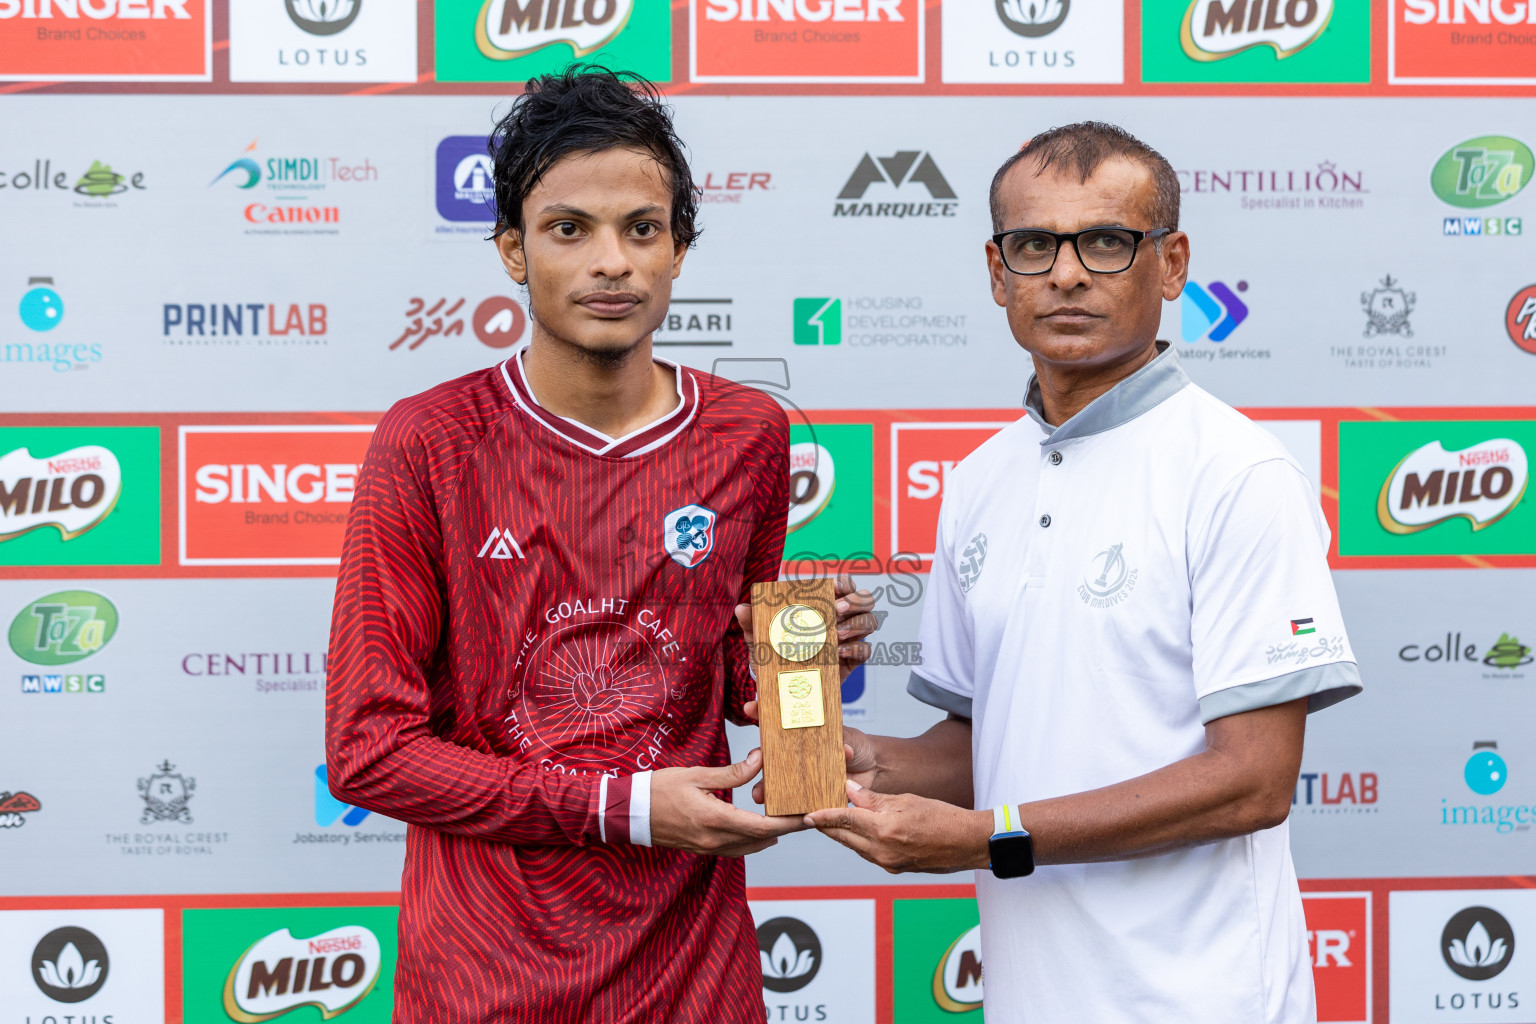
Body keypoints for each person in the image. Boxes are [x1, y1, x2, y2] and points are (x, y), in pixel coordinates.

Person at [325, 66, 875, 1023]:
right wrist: (624, 808)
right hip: (486, 982)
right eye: (569, 229)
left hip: (693, 978)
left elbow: (736, 683)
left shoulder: (748, 432)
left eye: (642, 228)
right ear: (511, 250)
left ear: (680, 250)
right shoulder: (430, 440)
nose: (610, 261)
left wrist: (803, 659)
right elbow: (370, 752)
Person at [802, 122, 1363, 1024]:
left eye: (1105, 242)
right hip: (1031, 997)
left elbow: (1255, 779)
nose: (1066, 274)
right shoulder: (981, 478)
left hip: (1203, 1000)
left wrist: (990, 840)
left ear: (1172, 264)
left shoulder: (1237, 472)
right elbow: (980, 742)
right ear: (997, 273)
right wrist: (874, 762)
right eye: (1034, 246)